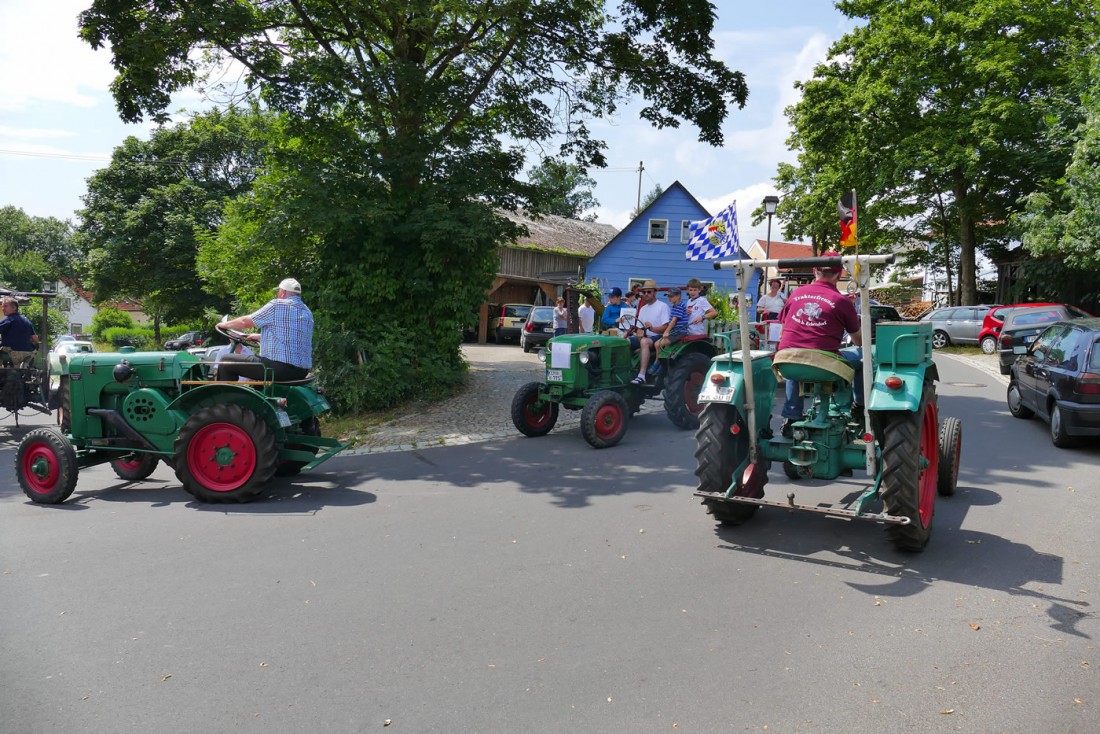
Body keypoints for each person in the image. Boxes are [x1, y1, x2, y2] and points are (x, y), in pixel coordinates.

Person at [775, 253, 862, 437]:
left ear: (815, 270)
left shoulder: (796, 293)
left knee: (795, 358)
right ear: (839, 275)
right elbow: (858, 340)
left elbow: (783, 330)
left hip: (786, 361)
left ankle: (791, 417)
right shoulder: (841, 301)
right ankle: (859, 409)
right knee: (864, 357)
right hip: (823, 364)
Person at [217, 277, 314, 382]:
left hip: (279, 368)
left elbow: (245, 322)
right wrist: (260, 337)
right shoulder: (307, 312)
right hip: (301, 371)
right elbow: (291, 337)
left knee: (226, 361)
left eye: (278, 291)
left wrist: (225, 325)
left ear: (283, 292)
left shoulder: (277, 305)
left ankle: (225, 398)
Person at [628, 279, 669, 384]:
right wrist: (639, 334)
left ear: (655, 292)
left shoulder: (662, 306)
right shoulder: (642, 309)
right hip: (645, 337)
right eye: (644, 292)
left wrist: (652, 329)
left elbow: (665, 327)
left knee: (644, 342)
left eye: (649, 292)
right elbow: (639, 328)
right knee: (624, 341)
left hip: (658, 337)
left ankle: (642, 375)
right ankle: (626, 372)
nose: (646, 294)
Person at [0, 296, 39, 367]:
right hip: (27, 353)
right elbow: (35, 338)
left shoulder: (8, 319)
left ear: (14, 308)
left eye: (5, 306)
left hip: (11, 352)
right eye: (2, 307)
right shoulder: (26, 320)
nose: (3, 309)